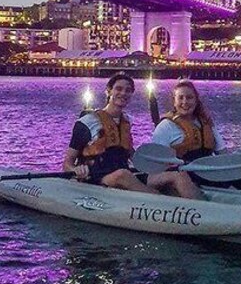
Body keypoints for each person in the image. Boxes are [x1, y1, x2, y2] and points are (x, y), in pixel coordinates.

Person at [63, 73, 203, 199]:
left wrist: (159, 166)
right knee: (122, 174)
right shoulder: (87, 122)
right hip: (98, 177)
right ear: (109, 91)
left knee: (178, 175)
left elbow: (132, 155)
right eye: (118, 89)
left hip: (125, 174)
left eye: (128, 90)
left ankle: (203, 208)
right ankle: (162, 202)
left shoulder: (126, 120)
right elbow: (67, 163)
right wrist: (75, 169)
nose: (123, 93)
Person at [152, 80, 241, 192]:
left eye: (189, 97)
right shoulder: (165, 127)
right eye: (180, 98)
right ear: (174, 101)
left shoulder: (206, 123)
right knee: (185, 181)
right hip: (185, 173)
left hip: (209, 170)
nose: (185, 102)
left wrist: (240, 169)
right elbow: (156, 164)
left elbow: (223, 155)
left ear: (196, 101)